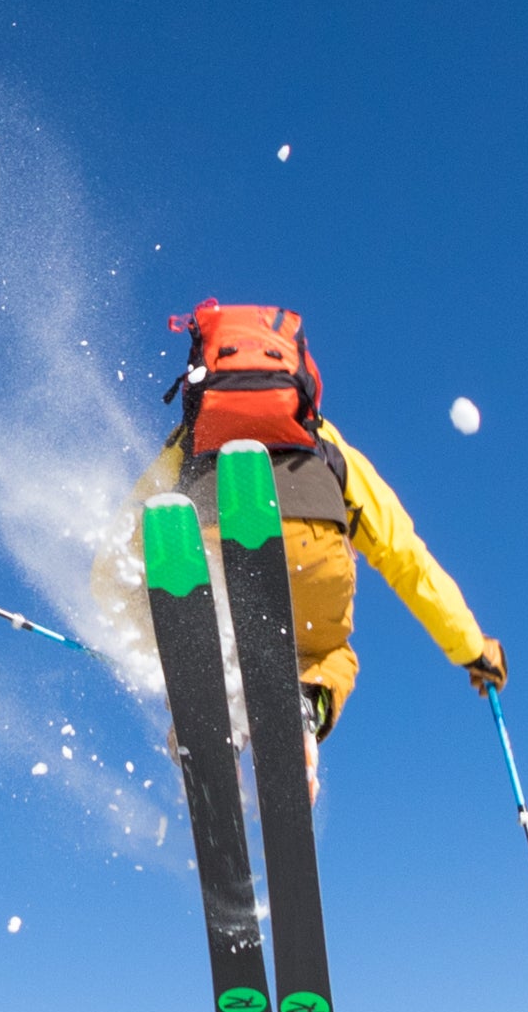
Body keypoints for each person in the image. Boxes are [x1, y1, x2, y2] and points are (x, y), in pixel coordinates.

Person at [105, 300, 504, 739]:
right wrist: (472, 649)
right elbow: (403, 554)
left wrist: (137, 640)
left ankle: (202, 710)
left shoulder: (187, 443)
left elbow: (118, 554)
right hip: (314, 558)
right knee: (329, 656)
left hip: (210, 554)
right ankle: (302, 709)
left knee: (180, 610)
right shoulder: (323, 439)